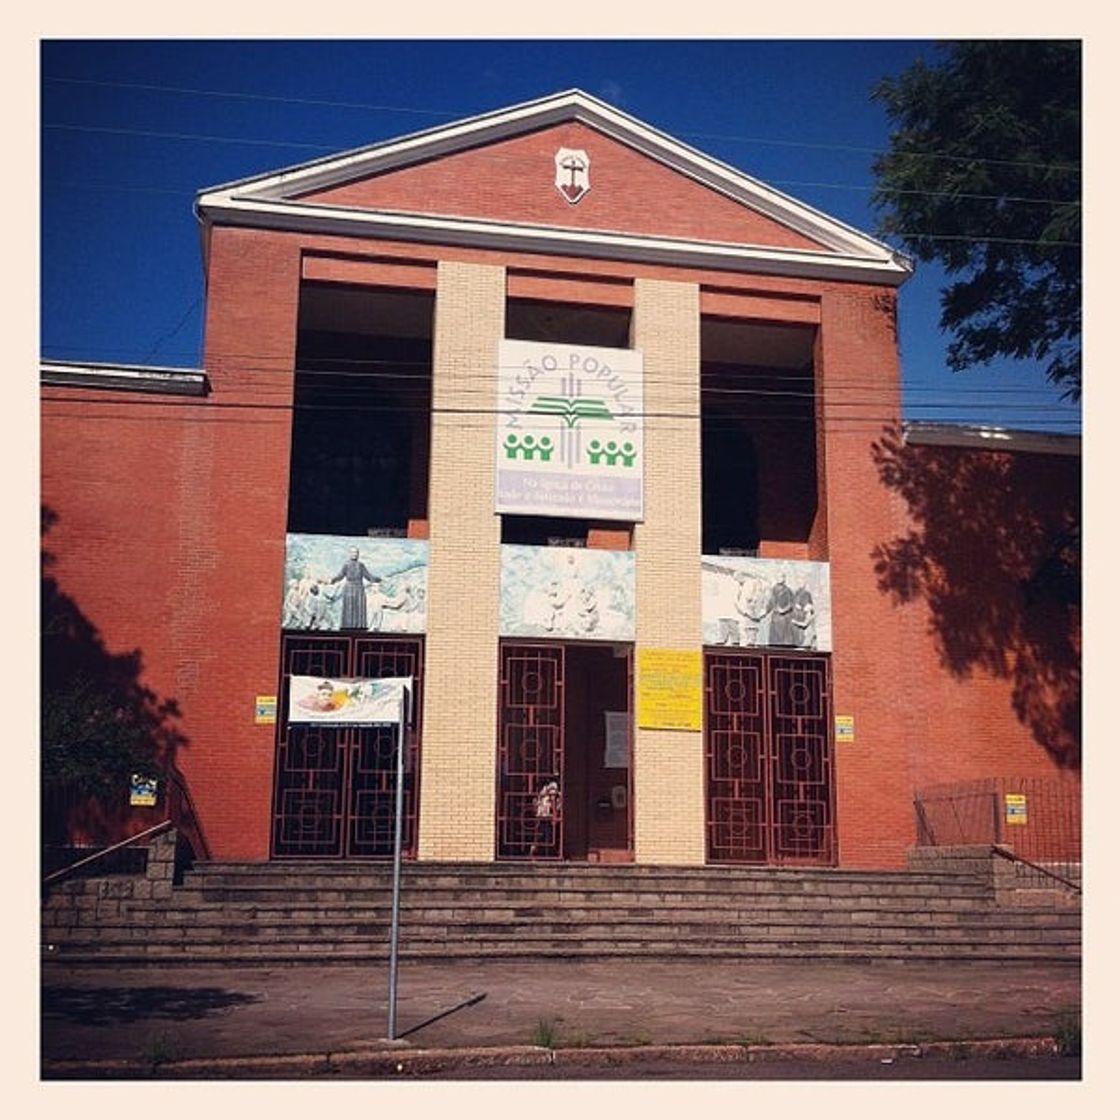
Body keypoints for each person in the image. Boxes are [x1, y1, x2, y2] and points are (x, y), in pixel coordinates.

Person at [328, 547, 380, 630]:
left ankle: (359, 627)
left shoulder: (361, 565)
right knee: (349, 607)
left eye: (356, 552)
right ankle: (347, 626)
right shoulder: (346, 565)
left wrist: (378, 579)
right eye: (352, 552)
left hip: (359, 589)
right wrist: (332, 580)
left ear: (358, 554)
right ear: (350, 554)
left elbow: (368, 576)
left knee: (358, 608)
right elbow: (340, 575)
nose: (354, 554)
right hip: (349, 588)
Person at [529, 779, 561, 857]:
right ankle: (534, 850)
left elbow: (556, 808)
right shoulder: (543, 797)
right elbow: (537, 806)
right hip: (542, 818)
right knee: (540, 835)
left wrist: (555, 815)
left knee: (551, 835)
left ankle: (552, 851)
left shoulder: (557, 798)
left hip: (549, 819)